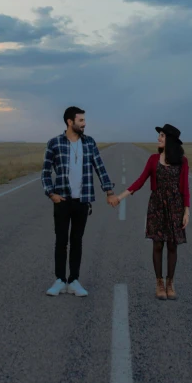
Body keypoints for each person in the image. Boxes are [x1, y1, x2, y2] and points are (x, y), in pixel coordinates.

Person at [41, 106, 116, 297]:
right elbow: (45, 171)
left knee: (77, 241)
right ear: (70, 122)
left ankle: (74, 280)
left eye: (84, 120)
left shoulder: (89, 143)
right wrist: (51, 194)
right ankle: (59, 280)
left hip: (82, 201)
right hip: (62, 200)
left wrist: (109, 191)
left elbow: (100, 167)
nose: (84, 124)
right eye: (81, 120)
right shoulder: (55, 143)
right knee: (61, 241)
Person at [110, 124, 190, 301]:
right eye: (159, 135)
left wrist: (186, 211)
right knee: (157, 244)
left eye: (161, 136)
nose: (158, 138)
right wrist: (120, 197)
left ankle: (170, 283)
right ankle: (159, 283)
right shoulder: (153, 159)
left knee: (172, 245)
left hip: (175, 206)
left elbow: (185, 187)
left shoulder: (182, 161)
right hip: (156, 206)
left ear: (169, 139)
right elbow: (139, 182)